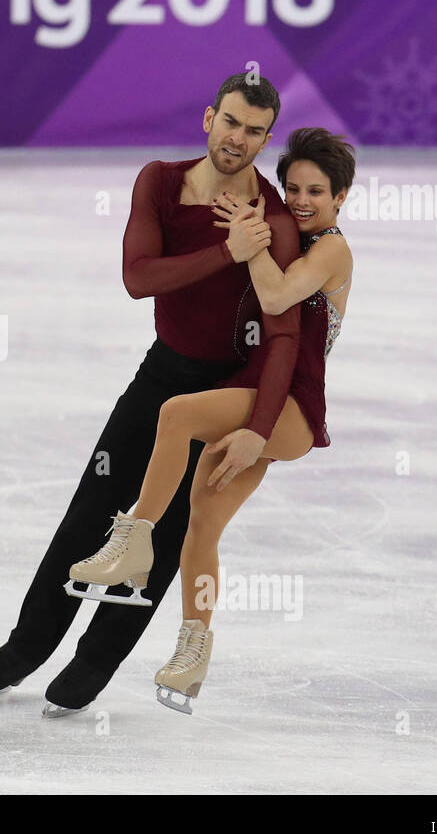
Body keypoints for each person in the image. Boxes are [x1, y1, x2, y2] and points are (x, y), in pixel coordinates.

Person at [0, 72, 302, 717]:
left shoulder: (273, 219)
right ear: (209, 119)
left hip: (224, 389)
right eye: (230, 122)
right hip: (161, 375)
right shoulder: (160, 181)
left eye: (255, 130)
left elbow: (285, 331)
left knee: (169, 533)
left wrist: (258, 422)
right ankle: (28, 644)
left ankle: (96, 659)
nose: (239, 138)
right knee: (93, 512)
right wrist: (227, 251)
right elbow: (138, 278)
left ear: (265, 138)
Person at [67, 126, 356, 714]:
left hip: (291, 407)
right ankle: (193, 652)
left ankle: (135, 540)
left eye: (316, 192)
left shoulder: (331, 249)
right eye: (293, 188)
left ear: (340, 199)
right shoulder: (286, 236)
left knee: (175, 414)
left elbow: (276, 300)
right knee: (202, 527)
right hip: (252, 395)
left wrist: (243, 245)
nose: (301, 201)